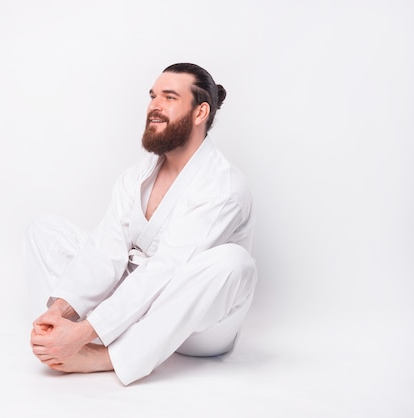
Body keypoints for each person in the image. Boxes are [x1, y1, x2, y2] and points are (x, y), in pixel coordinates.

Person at [24, 63, 257, 386]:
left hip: (198, 328)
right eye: (153, 96)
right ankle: (58, 334)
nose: (154, 106)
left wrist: (87, 332)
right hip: (141, 304)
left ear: (200, 111)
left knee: (233, 263)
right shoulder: (137, 176)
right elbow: (105, 251)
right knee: (45, 229)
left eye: (169, 97)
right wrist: (63, 312)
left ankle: (103, 356)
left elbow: (167, 268)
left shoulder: (222, 185)